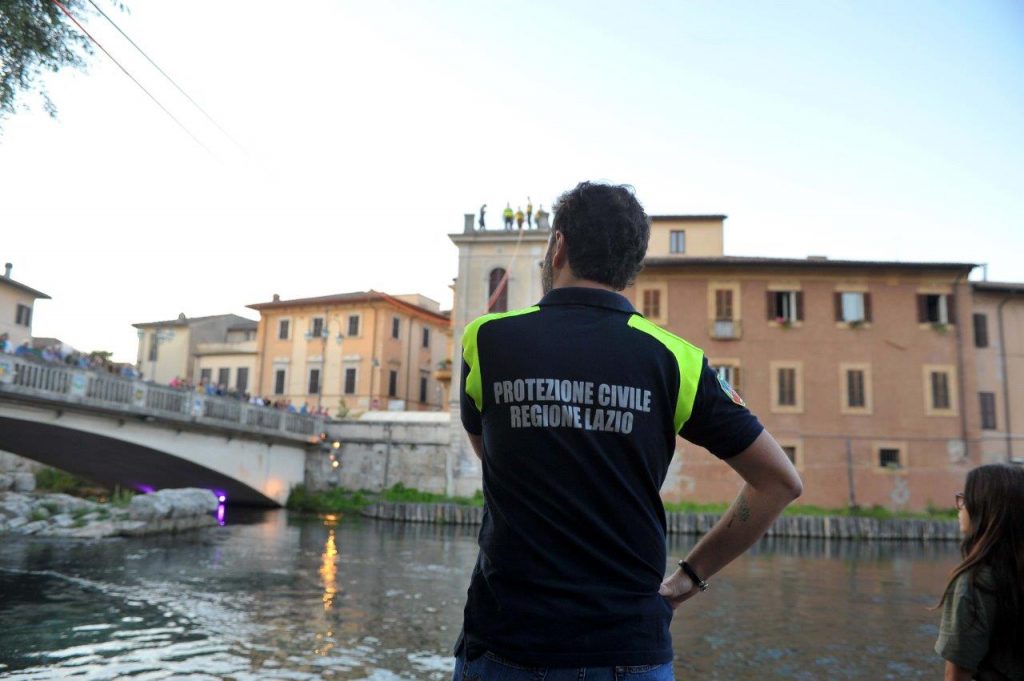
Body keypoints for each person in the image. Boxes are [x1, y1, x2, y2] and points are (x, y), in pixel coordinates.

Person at [454, 181, 803, 680]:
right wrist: (687, 579)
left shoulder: (486, 340)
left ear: (558, 247)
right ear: (631, 267)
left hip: (505, 644)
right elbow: (780, 482)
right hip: (630, 649)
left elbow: (492, 456)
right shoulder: (677, 360)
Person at [935, 463, 1024, 681]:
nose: (959, 507)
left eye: (966, 498)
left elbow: (956, 676)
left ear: (985, 509)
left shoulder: (974, 580)